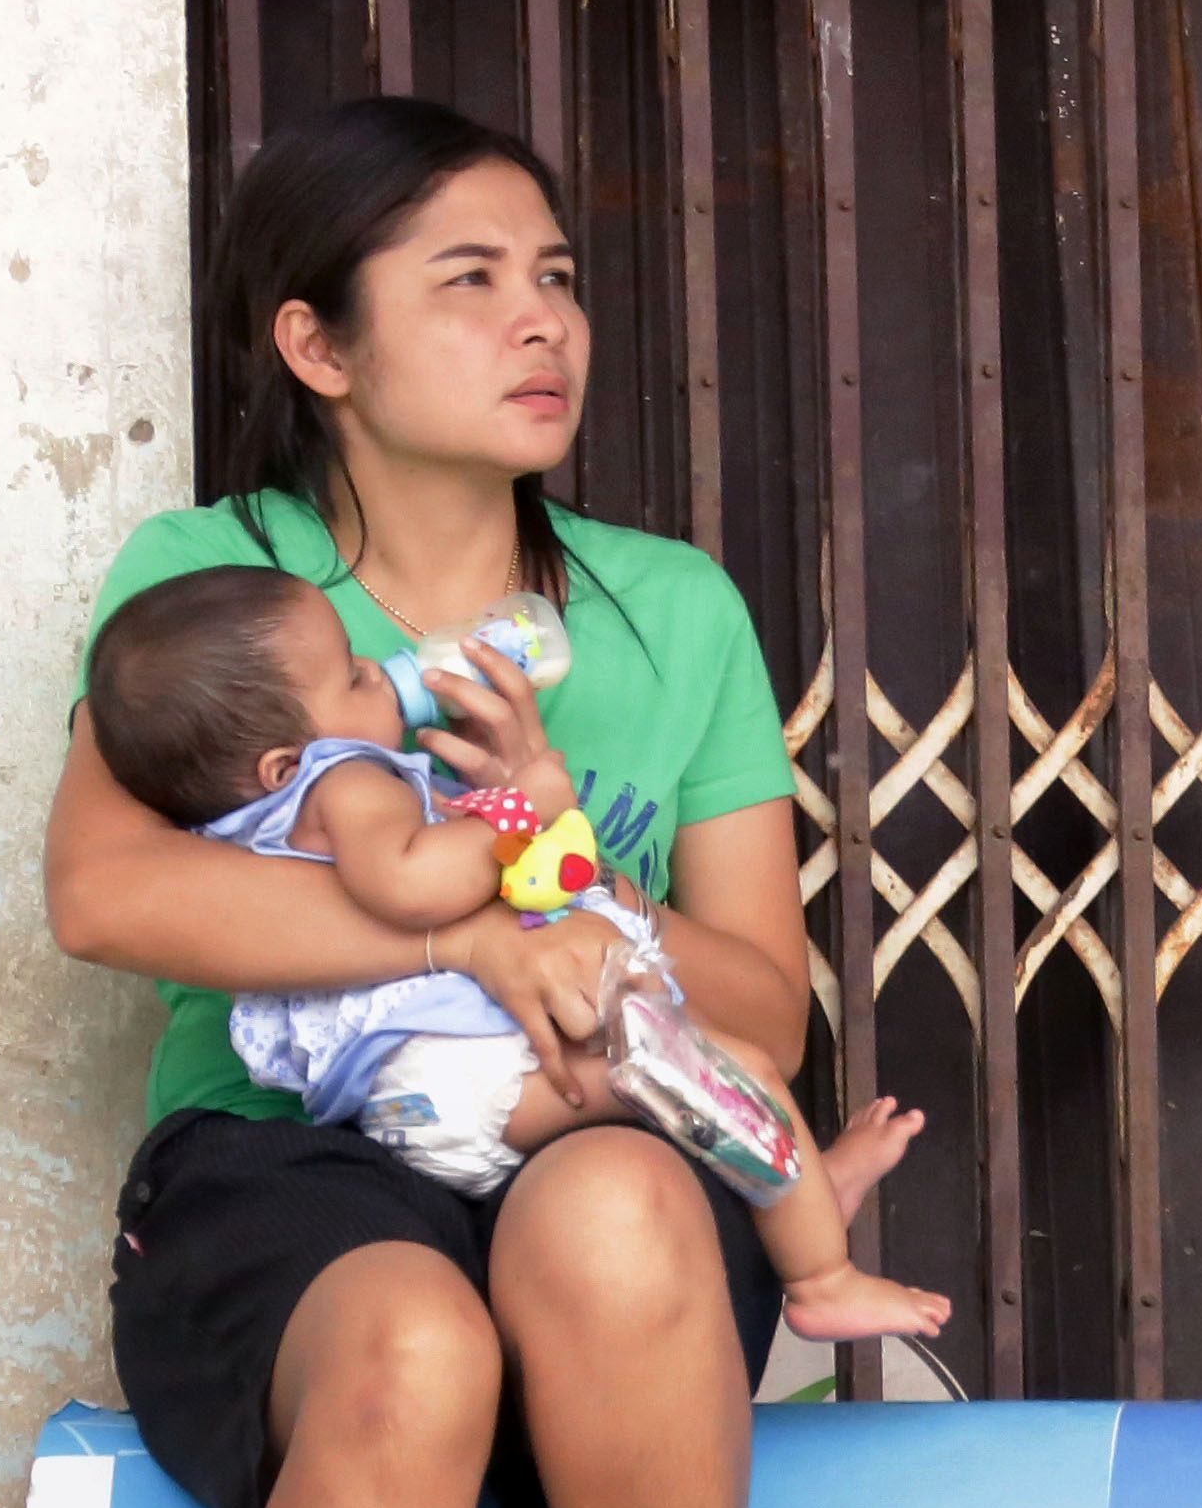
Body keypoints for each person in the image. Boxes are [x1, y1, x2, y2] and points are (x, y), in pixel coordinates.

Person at [50, 94, 863, 1508]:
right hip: (290, 1166)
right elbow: (107, 894)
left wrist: (577, 895)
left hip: (606, 1152)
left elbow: (767, 1012)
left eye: (559, 279)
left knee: (605, 1202)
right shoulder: (214, 587)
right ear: (315, 346)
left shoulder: (669, 611)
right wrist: (467, 932)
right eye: (471, 280)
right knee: (411, 1339)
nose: (543, 324)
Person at [80, 563, 946, 1350]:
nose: (382, 671)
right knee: (708, 1074)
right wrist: (522, 805)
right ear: (283, 763)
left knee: (700, 1064)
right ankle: (817, 1267)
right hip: (452, 1087)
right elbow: (409, 885)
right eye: (351, 674)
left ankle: (793, 1200)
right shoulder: (343, 779)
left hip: (430, 1090)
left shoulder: (264, 822)